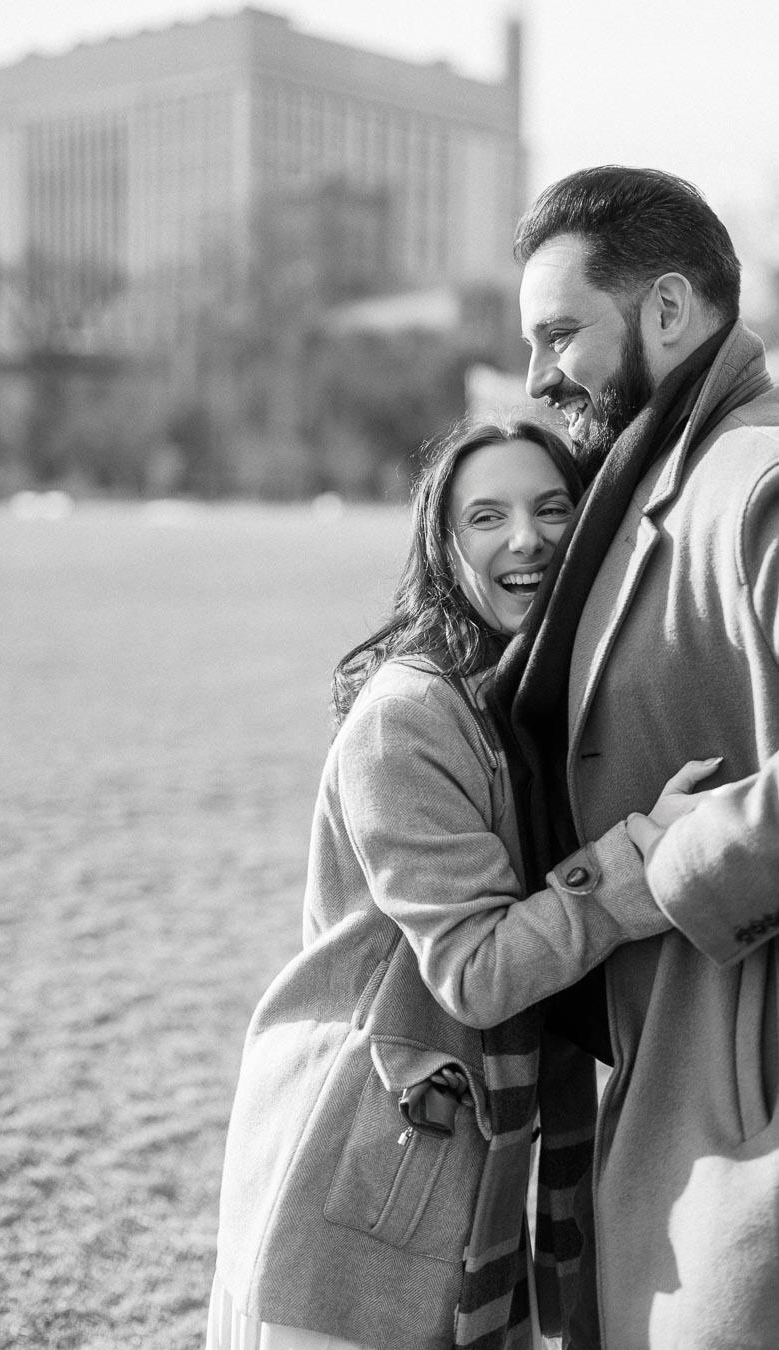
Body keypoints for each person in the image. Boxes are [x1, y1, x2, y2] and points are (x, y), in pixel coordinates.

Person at [206, 419, 717, 1350]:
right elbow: (477, 970)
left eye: (553, 507)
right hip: (367, 1160)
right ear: (444, 546)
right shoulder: (408, 718)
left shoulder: (530, 701)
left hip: (459, 1153)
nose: (526, 537)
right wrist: (644, 854)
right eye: (488, 515)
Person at [495, 165, 779, 1350]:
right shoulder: (659, 471)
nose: (537, 376)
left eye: (561, 332)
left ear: (670, 311)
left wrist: (674, 863)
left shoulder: (755, 480)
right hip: (672, 1072)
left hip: (742, 1075)